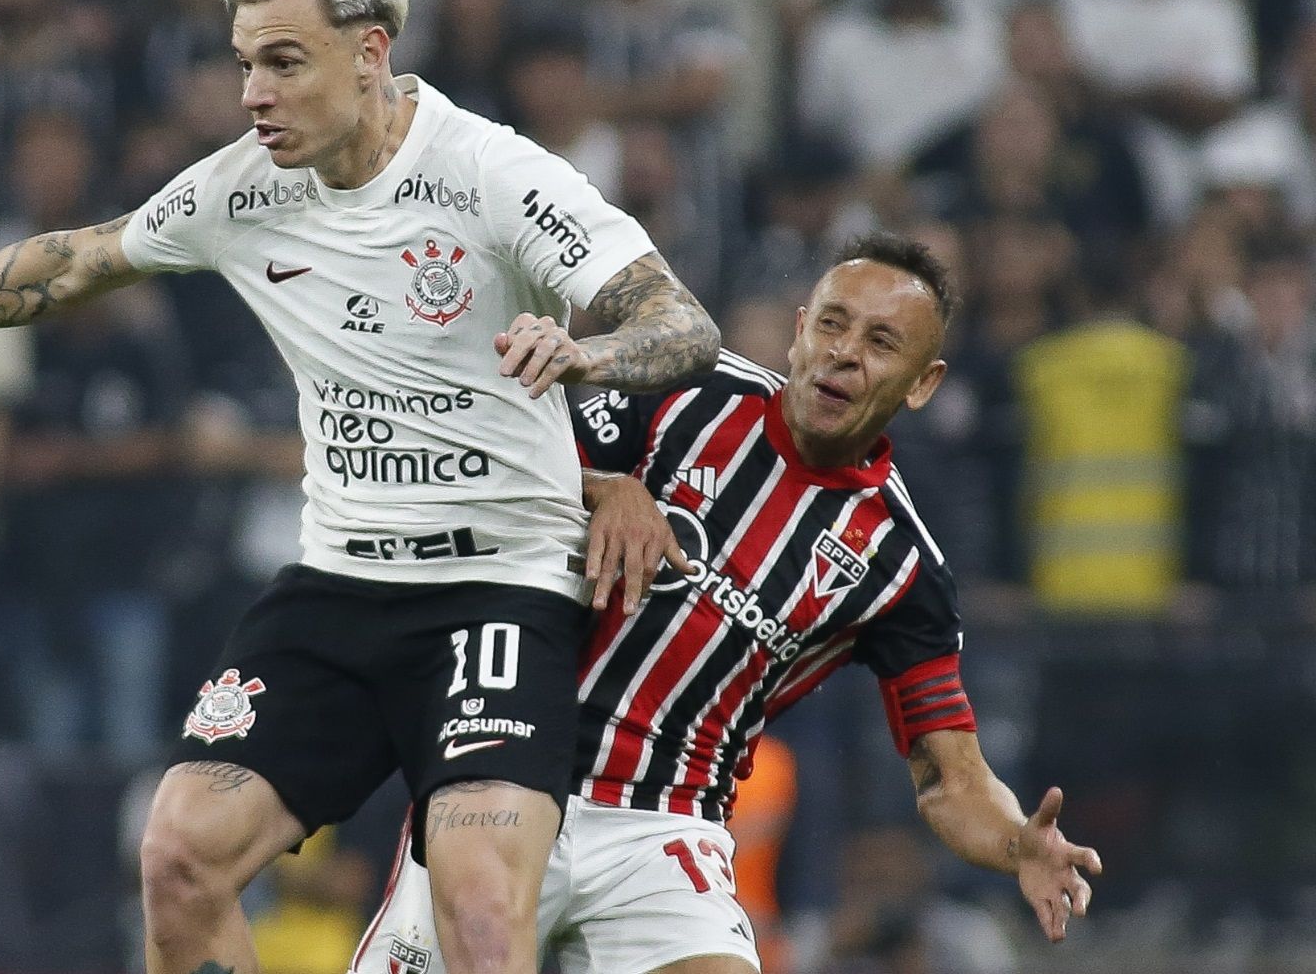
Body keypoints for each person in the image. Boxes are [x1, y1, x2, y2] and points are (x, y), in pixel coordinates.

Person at [0, 0, 722, 974]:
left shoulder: (496, 174)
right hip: (340, 585)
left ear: (370, 53)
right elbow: (78, 259)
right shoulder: (246, 185)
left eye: (284, 63)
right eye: (246, 63)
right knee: (178, 854)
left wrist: (587, 354)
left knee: (480, 910)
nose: (253, 93)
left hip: (498, 587)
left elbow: (680, 324)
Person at [353, 234, 1099, 974]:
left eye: (881, 342)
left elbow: (950, 777)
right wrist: (605, 487)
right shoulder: (683, 389)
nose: (844, 353)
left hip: (662, 825)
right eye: (833, 323)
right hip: (504, 768)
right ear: (800, 329)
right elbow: (481, 473)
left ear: (923, 383)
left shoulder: (901, 566)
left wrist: (1015, 843)